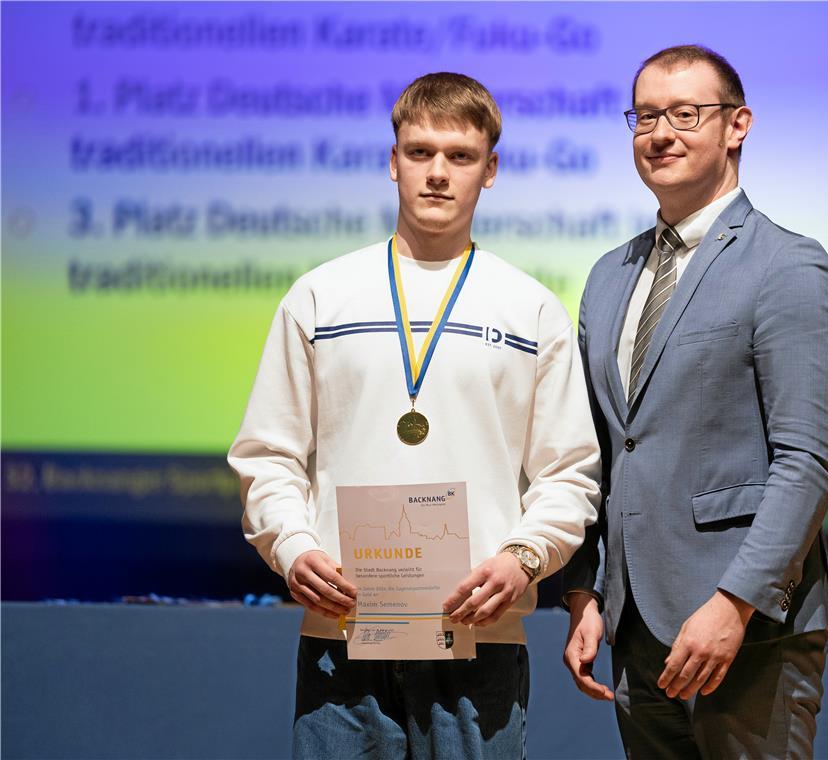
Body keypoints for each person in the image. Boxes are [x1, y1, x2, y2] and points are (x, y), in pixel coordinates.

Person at [229, 72, 601, 759]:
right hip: (340, 636)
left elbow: (569, 473)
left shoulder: (531, 309)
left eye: (460, 157)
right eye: (419, 152)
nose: (437, 174)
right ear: (391, 160)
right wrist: (293, 548)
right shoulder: (320, 297)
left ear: (490, 170)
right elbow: (268, 455)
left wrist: (523, 559)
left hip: (478, 641)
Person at [562, 45, 828, 759]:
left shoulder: (788, 264)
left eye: (686, 114)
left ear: (737, 125)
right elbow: (598, 449)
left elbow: (807, 461)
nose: (661, 133)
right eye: (645, 116)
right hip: (635, 632)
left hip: (745, 631)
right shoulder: (607, 276)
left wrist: (734, 604)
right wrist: (584, 592)